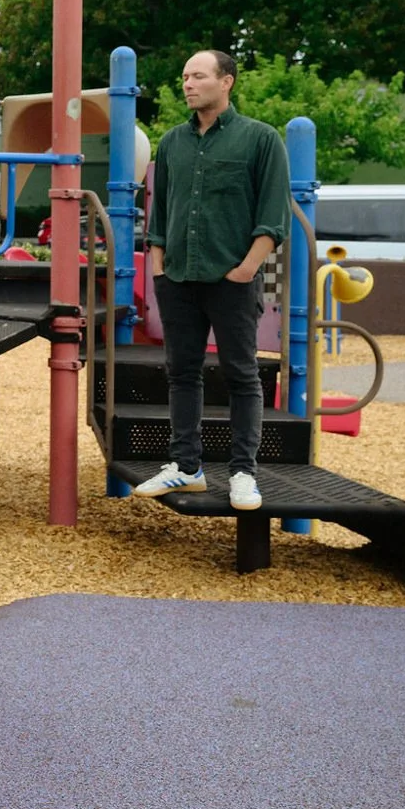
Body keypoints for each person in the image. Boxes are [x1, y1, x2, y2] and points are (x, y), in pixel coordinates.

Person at [134, 50, 289, 512]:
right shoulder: (172, 142)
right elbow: (160, 213)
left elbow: (273, 216)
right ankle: (187, 467)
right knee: (182, 373)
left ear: (227, 82)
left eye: (198, 76)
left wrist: (245, 270)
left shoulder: (261, 139)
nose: (187, 84)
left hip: (232, 280)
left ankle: (243, 473)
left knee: (242, 374)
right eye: (184, 76)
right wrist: (158, 268)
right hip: (177, 278)